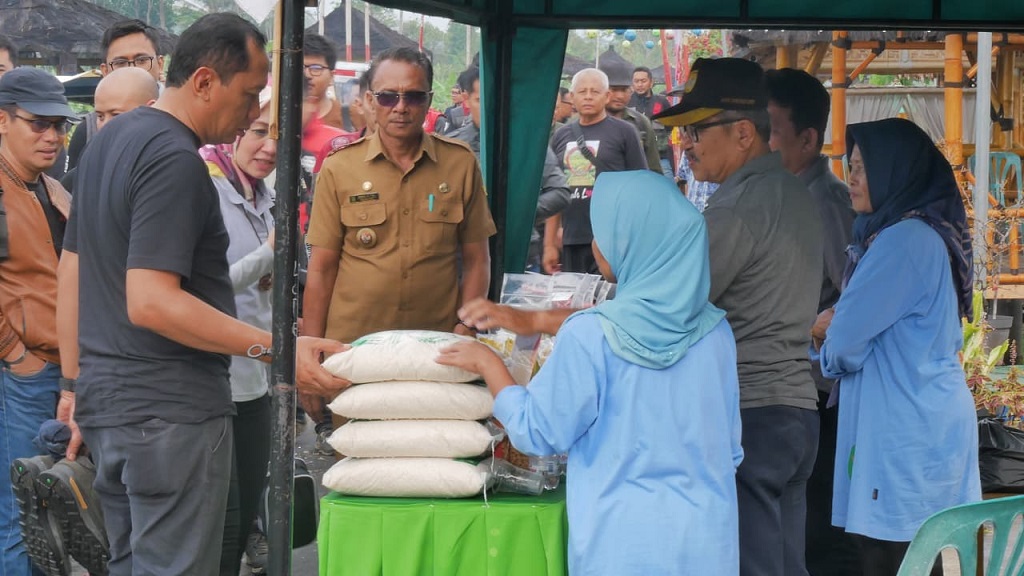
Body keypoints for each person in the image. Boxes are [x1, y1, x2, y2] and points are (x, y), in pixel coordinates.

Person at [56, 14, 350, 575]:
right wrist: (276, 349)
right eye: (249, 93)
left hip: (111, 405)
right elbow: (151, 300)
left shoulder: (110, 137)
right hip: (169, 415)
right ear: (205, 81)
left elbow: (71, 271)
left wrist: (75, 385)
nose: (254, 112)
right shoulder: (174, 160)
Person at [437, 170, 743, 575]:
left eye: (605, 233)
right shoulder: (716, 331)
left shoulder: (592, 333)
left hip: (619, 544)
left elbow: (538, 433)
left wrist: (487, 363)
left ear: (634, 244)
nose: (594, 244)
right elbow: (731, 449)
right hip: (708, 541)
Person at [653, 57, 823, 576]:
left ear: (744, 133)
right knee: (784, 559)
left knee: (754, 563)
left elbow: (675, 304)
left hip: (753, 411)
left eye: (698, 131)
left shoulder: (739, 206)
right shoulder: (795, 192)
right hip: (795, 408)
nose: (688, 144)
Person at [813, 118, 980, 576]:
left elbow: (845, 341)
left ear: (897, 172)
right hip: (923, 419)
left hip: (904, 430)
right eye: (851, 166)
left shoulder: (901, 241)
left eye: (865, 167)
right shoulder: (920, 233)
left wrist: (824, 333)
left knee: (894, 557)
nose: (853, 178)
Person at [304, 45, 496, 346]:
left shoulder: (459, 163)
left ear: (429, 101)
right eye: (388, 96)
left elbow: (477, 259)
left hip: (435, 345)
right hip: (353, 345)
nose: (401, 107)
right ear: (370, 100)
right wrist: (311, 348)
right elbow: (321, 268)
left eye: (414, 96)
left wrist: (466, 325)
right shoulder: (339, 168)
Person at [764, 67, 860, 576]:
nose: (758, 139)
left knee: (818, 528)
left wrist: (794, 323)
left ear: (808, 138)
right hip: (786, 386)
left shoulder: (825, 204)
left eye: (771, 129)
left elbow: (855, 301)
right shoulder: (779, 192)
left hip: (816, 391)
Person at [0, 67, 77, 576]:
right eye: (38, 123)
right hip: (26, 374)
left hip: (66, 371)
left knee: (51, 515)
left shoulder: (52, 188)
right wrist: (15, 355)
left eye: (59, 125)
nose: (52, 136)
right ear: (3, 120)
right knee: (22, 516)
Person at [199, 88, 277, 576]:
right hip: (217, 378)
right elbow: (206, 289)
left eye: (279, 136)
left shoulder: (263, 195)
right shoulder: (206, 190)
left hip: (258, 377)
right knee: (220, 525)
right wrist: (269, 253)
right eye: (259, 131)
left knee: (248, 506)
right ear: (234, 133)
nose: (269, 146)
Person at [447, 67, 570, 274]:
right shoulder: (452, 147)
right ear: (466, 100)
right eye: (480, 100)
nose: (490, 108)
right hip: (463, 253)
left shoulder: (528, 143)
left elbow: (560, 191)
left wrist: (515, 213)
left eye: (496, 99)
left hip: (518, 248)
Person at [545, 68, 647, 275]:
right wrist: (549, 244)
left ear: (606, 96)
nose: (588, 97)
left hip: (612, 239)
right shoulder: (561, 135)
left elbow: (641, 187)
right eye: (582, 92)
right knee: (575, 303)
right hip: (571, 237)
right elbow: (554, 191)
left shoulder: (625, 132)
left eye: (595, 91)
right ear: (572, 98)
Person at [66, 19, 164, 171]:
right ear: (105, 71)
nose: (132, 68)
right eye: (120, 63)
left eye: (142, 60)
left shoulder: (185, 119)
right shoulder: (89, 132)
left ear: (160, 64)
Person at [60, 67, 159, 194]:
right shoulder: (82, 176)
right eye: (100, 116)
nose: (105, 125)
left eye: (116, 115)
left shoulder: (170, 164)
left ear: (150, 110)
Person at [599, 62, 662, 173]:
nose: (620, 96)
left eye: (624, 90)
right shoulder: (587, 121)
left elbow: (653, 167)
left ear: (631, 91)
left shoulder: (641, 123)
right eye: (613, 89)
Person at [629, 65, 673, 177]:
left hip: (660, 158)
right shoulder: (627, 102)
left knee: (668, 188)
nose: (639, 85)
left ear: (651, 82)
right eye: (636, 81)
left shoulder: (662, 102)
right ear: (632, 83)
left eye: (643, 81)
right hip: (634, 160)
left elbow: (670, 125)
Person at [304, 33, 344, 130]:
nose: (307, 75)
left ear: (331, 76)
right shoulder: (274, 114)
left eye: (316, 68)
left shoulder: (346, 117)